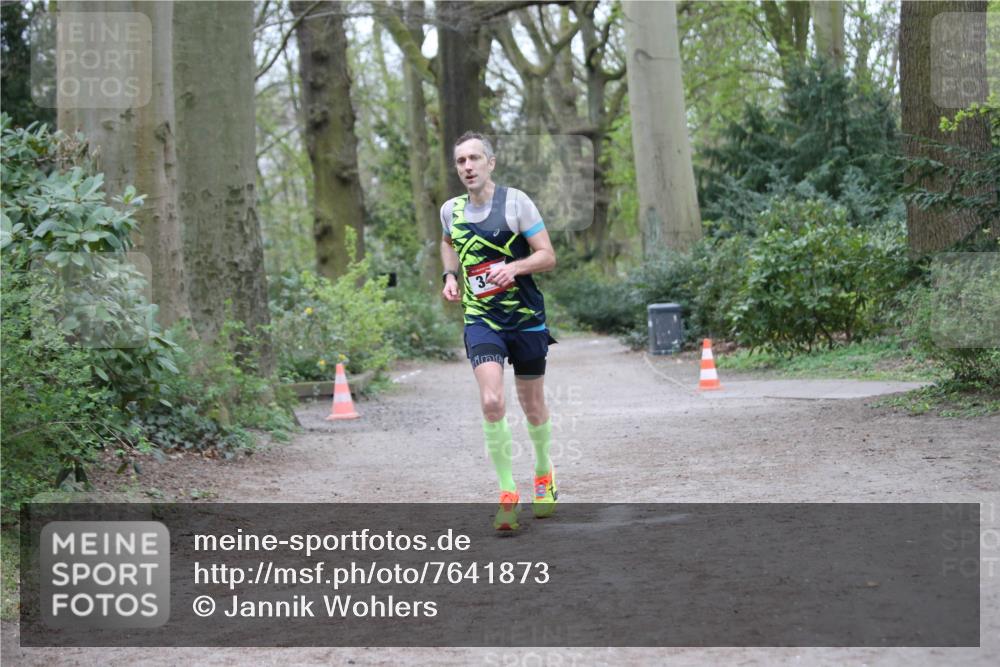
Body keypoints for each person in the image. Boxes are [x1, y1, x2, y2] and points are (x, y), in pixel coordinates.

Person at [440, 131, 558, 532]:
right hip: (481, 320)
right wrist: (450, 275)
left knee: (533, 406)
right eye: (461, 161)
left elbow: (547, 255)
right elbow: (447, 242)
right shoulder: (449, 210)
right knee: (492, 401)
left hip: (525, 319)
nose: (468, 166)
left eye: (475, 158)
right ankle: (508, 493)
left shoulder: (516, 202)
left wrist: (514, 268)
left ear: (490, 163)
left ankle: (543, 472)